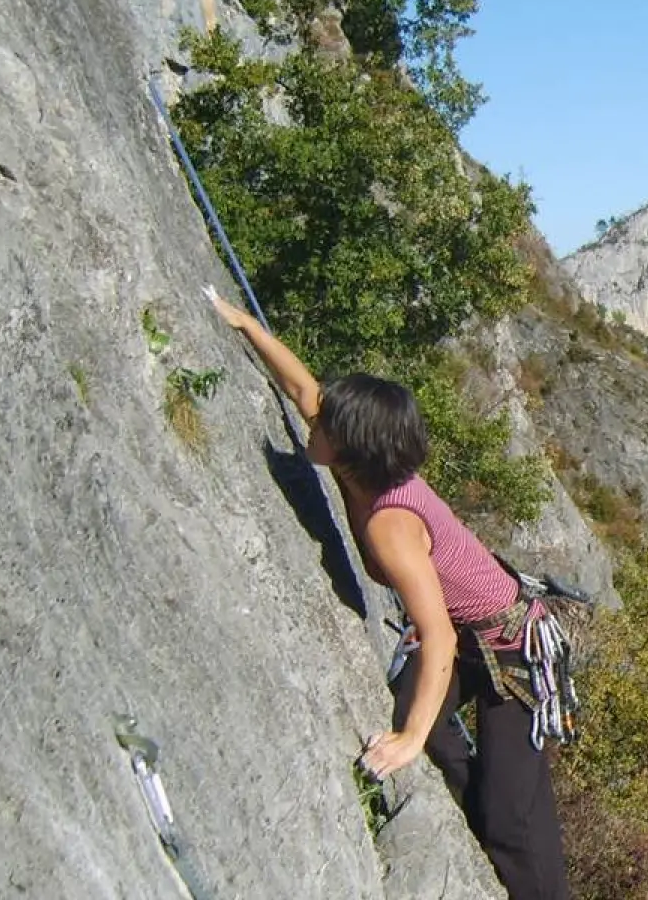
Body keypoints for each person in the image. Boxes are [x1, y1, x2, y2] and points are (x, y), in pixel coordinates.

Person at [208, 289, 571, 900]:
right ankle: (489, 816)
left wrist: (402, 743)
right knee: (431, 728)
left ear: (352, 446)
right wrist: (246, 324)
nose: (312, 422)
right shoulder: (360, 461)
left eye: (326, 425)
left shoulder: (391, 523)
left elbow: (435, 636)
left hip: (512, 649)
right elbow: (305, 391)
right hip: (473, 634)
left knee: (512, 819)